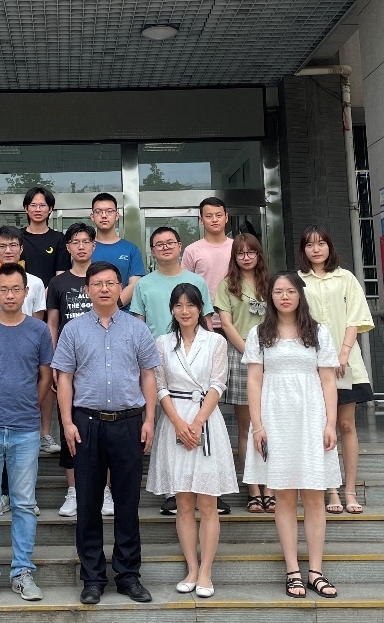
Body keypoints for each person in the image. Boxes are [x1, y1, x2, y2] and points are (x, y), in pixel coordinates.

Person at [52, 261, 161, 605]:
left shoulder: (136, 328)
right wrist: (66, 422)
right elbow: (64, 378)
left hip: (129, 422)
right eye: (97, 283)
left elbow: (148, 375)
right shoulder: (73, 330)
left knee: (128, 502)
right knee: (88, 503)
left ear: (120, 288)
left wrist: (149, 420)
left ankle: (128, 576)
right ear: (87, 290)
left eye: (111, 283)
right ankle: (93, 578)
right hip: (86, 424)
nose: (104, 289)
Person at [242, 271, 341, 599]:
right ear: (269, 297)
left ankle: (316, 571)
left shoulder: (318, 332)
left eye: (290, 291)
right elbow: (254, 380)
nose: (284, 296)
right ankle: (292, 571)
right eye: (278, 292)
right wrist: (258, 425)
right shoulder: (259, 333)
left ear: (300, 294)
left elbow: (328, 380)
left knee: (314, 496)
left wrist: (330, 423)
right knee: (283, 497)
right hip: (275, 419)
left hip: (311, 418)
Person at [0, 263, 54, 604]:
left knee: (24, 503)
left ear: (26, 292)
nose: (11, 295)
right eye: (4, 289)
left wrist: (30, 404)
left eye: (17, 289)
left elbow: (45, 377)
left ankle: (22, 572)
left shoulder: (39, 330)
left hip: (25, 428)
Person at [146, 283, 237, 599]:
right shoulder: (162, 343)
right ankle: (192, 569)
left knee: (208, 503)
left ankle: (207, 571)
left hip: (206, 421)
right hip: (174, 421)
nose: (185, 311)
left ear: (201, 309)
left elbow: (218, 384)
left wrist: (197, 423)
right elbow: (159, 386)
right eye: (179, 305)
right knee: (183, 502)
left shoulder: (215, 341)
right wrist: (178, 424)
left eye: (191, 305)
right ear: (172, 309)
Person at [131, 226, 227, 516]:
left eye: (170, 242)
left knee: (198, 427)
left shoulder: (196, 280)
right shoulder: (144, 284)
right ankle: (174, 490)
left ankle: (207, 488)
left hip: (197, 359)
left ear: (180, 246)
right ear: (152, 250)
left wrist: (208, 349)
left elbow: (207, 321)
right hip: (159, 359)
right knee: (169, 426)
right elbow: (137, 324)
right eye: (158, 244)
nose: (165, 247)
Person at [297, 225, 375, 516]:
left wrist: (342, 353)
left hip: (345, 363)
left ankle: (350, 490)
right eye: (309, 244)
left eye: (321, 243)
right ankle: (331, 489)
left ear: (329, 246)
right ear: (303, 250)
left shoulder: (346, 278)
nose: (316, 249)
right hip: (311, 366)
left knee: (346, 424)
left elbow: (355, 317)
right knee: (321, 426)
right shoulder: (298, 281)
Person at [45, 223, 114, 519]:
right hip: (69, 365)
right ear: (68, 247)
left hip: (103, 363)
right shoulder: (58, 283)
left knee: (106, 430)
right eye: (76, 241)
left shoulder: (102, 278)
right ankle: (73, 491)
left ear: (94, 246)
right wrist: (54, 363)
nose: (81, 246)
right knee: (70, 427)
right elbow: (52, 324)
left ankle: (105, 491)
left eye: (86, 241)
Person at [0, 226, 53, 460]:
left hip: (26, 359)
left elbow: (38, 321)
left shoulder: (36, 283)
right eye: (2, 246)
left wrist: (31, 403)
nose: (8, 250)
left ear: (21, 248)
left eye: (13, 245)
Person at [216, 234, 272, 514]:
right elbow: (226, 324)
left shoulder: (271, 283)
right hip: (240, 356)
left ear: (259, 255)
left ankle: (270, 488)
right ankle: (253, 489)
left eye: (251, 252)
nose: (246, 257)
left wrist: (266, 351)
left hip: (272, 354)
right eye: (240, 253)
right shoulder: (227, 285)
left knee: (271, 424)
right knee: (246, 426)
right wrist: (250, 352)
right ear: (234, 257)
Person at [181, 196, 233, 329]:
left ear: (226, 218)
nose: (214, 220)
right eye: (209, 216)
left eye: (219, 215)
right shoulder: (192, 250)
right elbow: (185, 287)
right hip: (204, 320)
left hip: (237, 319)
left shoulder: (237, 248)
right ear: (201, 220)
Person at [89, 193, 144, 308]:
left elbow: (134, 284)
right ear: (92, 216)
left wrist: (112, 308)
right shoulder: (85, 249)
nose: (104, 215)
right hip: (90, 313)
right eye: (99, 211)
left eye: (109, 211)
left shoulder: (131, 250)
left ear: (117, 215)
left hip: (123, 313)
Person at [20, 186, 70, 286]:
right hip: (21, 293)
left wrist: (47, 292)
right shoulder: (17, 237)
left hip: (50, 293)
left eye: (42, 205)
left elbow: (61, 273)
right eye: (33, 205)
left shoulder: (59, 239)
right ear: (26, 208)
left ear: (50, 209)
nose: (38, 209)